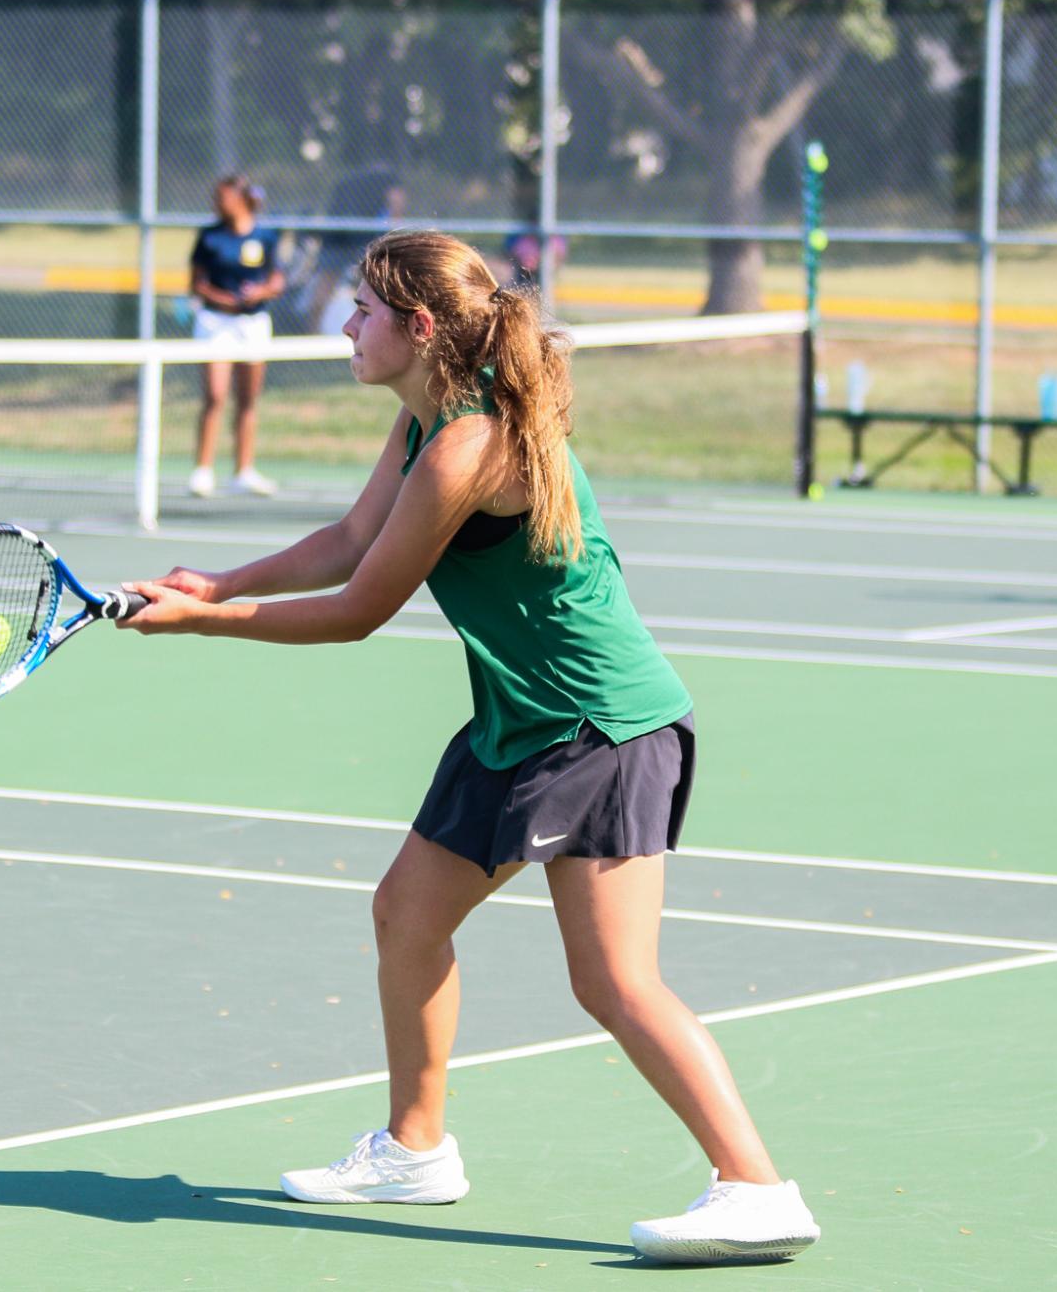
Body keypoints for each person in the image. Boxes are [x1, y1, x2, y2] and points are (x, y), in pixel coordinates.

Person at [116, 229, 820, 1265]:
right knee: (406, 912)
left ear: (421, 326)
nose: (346, 324)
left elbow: (360, 606)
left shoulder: (467, 443)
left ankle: (756, 1185)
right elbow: (351, 541)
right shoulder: (425, 423)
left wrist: (202, 625)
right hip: (516, 721)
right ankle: (415, 1147)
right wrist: (214, 581)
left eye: (363, 309)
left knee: (616, 978)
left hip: (598, 726)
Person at [188, 175, 286, 498]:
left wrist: (260, 292)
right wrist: (224, 300)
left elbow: (276, 281)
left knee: (248, 399)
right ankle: (203, 470)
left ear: (242, 198)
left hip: (253, 325)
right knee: (215, 395)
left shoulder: (266, 237)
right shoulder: (210, 237)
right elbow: (197, 283)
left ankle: (243, 470)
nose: (218, 203)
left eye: (224, 197)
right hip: (215, 324)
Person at [305, 166, 407, 335]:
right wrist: (392, 231)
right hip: (353, 233)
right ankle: (313, 335)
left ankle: (317, 333)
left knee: (340, 282)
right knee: (338, 282)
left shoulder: (350, 173)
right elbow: (396, 203)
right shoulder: (387, 174)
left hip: (346, 230)